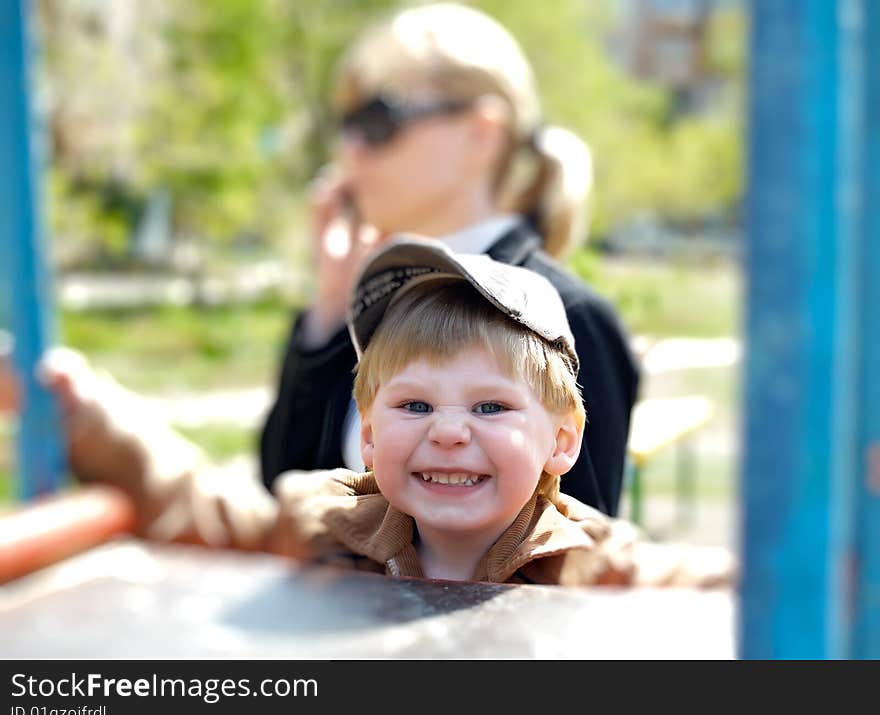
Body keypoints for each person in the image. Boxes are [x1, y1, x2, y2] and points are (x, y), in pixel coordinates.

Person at [22, 239, 730, 587]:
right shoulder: (328, 524)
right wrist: (88, 413)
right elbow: (198, 506)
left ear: (562, 442)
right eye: (414, 404)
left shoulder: (592, 565)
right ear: (368, 435)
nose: (447, 430)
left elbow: (727, 592)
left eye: (490, 405)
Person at [260, 2, 639, 516]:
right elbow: (285, 492)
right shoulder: (376, 299)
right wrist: (329, 308)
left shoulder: (569, 316)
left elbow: (576, 557)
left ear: (480, 132)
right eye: (345, 124)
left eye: (378, 120)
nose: (349, 149)